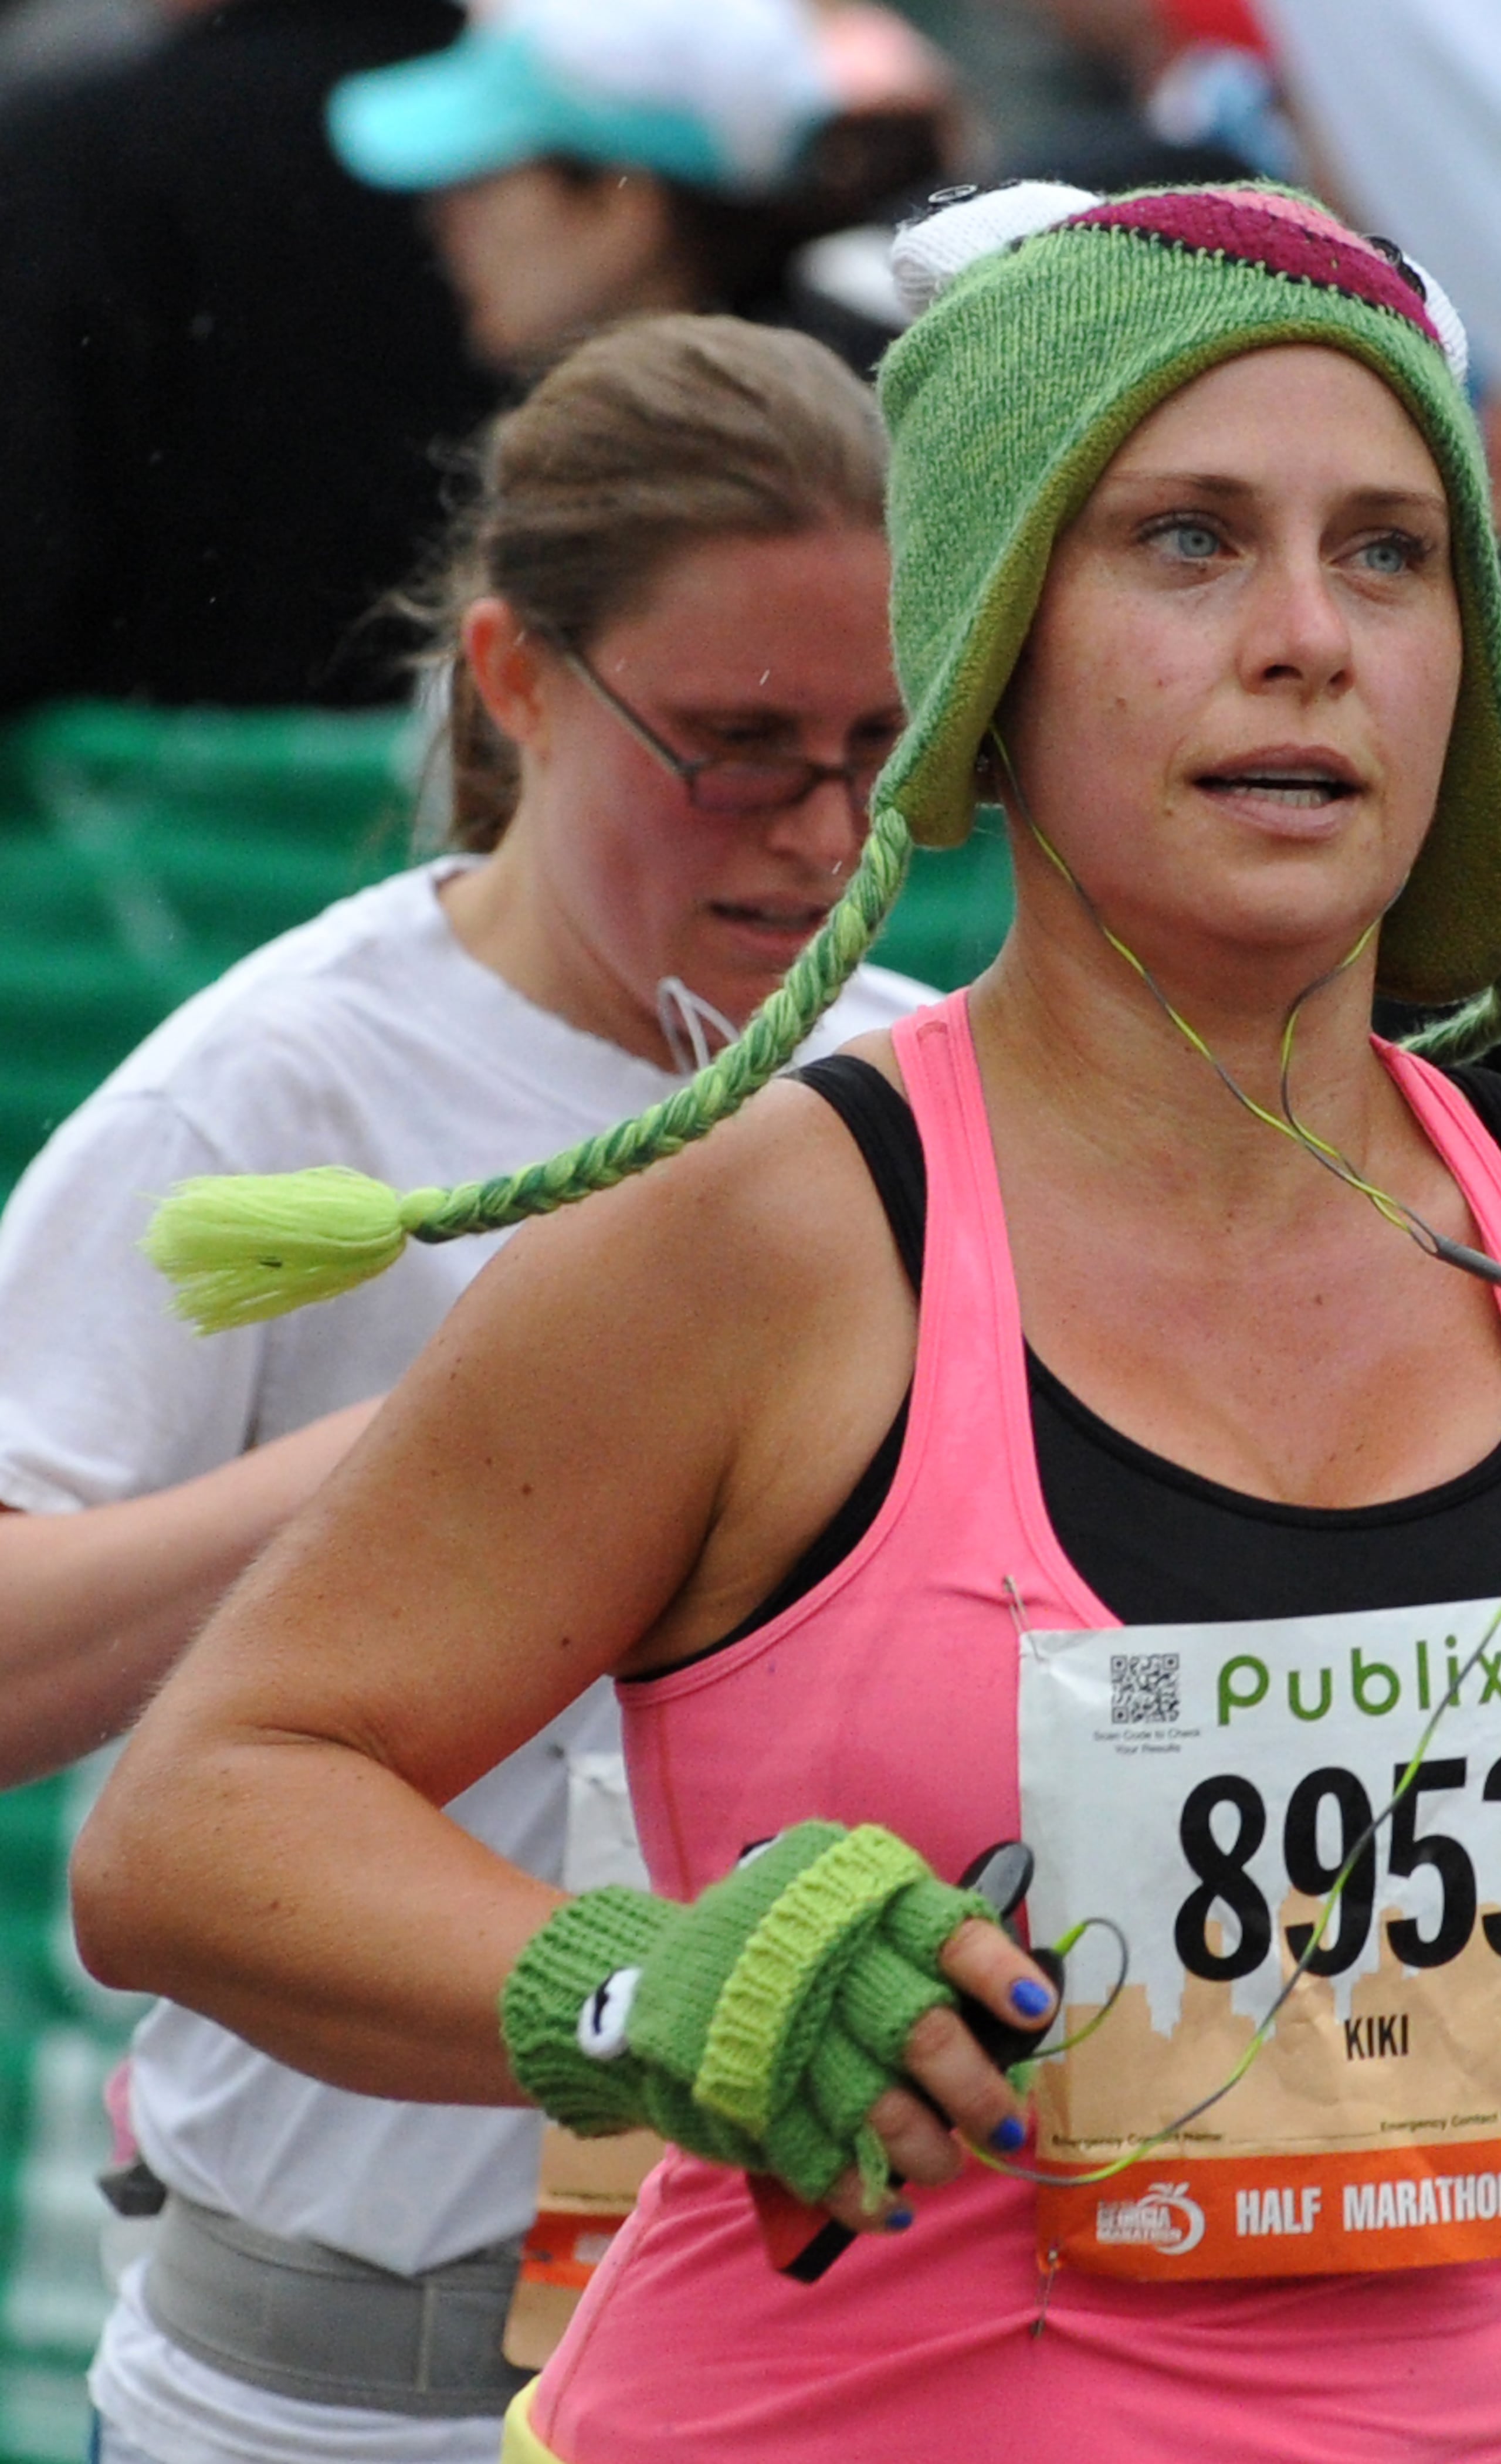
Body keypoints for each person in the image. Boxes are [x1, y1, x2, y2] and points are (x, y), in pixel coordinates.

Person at [71, 184, 1501, 2464]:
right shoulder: (761, 1244)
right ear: (994, 655)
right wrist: (624, 1987)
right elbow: (204, 1817)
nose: (1308, 636)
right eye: (1189, 541)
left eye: (1392, 550)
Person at [0, 311, 927, 2462]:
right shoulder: (280, 1085)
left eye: (887, 743)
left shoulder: (920, 1077)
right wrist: (428, 1452)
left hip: (826, 2357)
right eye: (736, 741)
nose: (822, 826)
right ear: (513, 678)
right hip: (347, 2390)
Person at [0, 0, 494, 715]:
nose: (458, 225)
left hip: (160, 779)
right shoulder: (564, 116)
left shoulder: (80, 155)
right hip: (497, 753)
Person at [328, 0, 957, 381]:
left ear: (623, 204)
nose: (441, 218)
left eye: (478, 178)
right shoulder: (823, 371)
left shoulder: (771, 450)